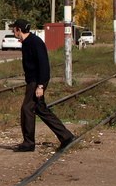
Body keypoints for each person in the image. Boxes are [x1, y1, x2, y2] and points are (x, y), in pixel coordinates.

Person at [10, 18, 75, 152]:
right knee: (40, 109)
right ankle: (66, 136)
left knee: (27, 108)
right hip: (33, 80)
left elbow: (44, 65)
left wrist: (40, 86)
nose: (12, 31)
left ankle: (28, 143)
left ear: (19, 29)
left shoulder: (35, 42)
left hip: (37, 81)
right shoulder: (27, 42)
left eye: (14, 28)